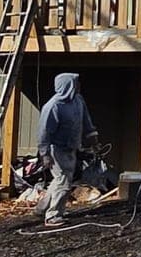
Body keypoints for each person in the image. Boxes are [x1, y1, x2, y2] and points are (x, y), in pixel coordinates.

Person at [35, 72, 97, 227]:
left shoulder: (78, 100)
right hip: (56, 149)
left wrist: (91, 135)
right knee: (63, 181)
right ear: (67, 85)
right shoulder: (53, 107)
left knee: (60, 179)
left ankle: (41, 208)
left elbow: (86, 119)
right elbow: (44, 132)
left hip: (71, 147)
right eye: (75, 83)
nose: (78, 86)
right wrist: (45, 154)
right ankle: (53, 215)